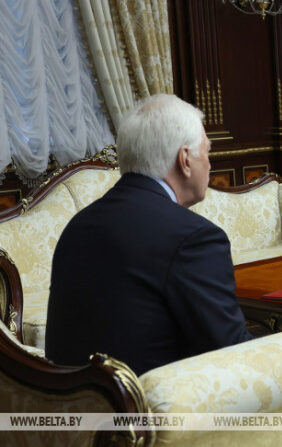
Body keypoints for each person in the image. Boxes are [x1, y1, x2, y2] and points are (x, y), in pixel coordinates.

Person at [46, 94, 253, 375]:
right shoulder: (194, 238)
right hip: (148, 401)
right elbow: (232, 353)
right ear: (185, 159)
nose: (210, 164)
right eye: (206, 151)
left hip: (74, 399)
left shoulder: (77, 226)